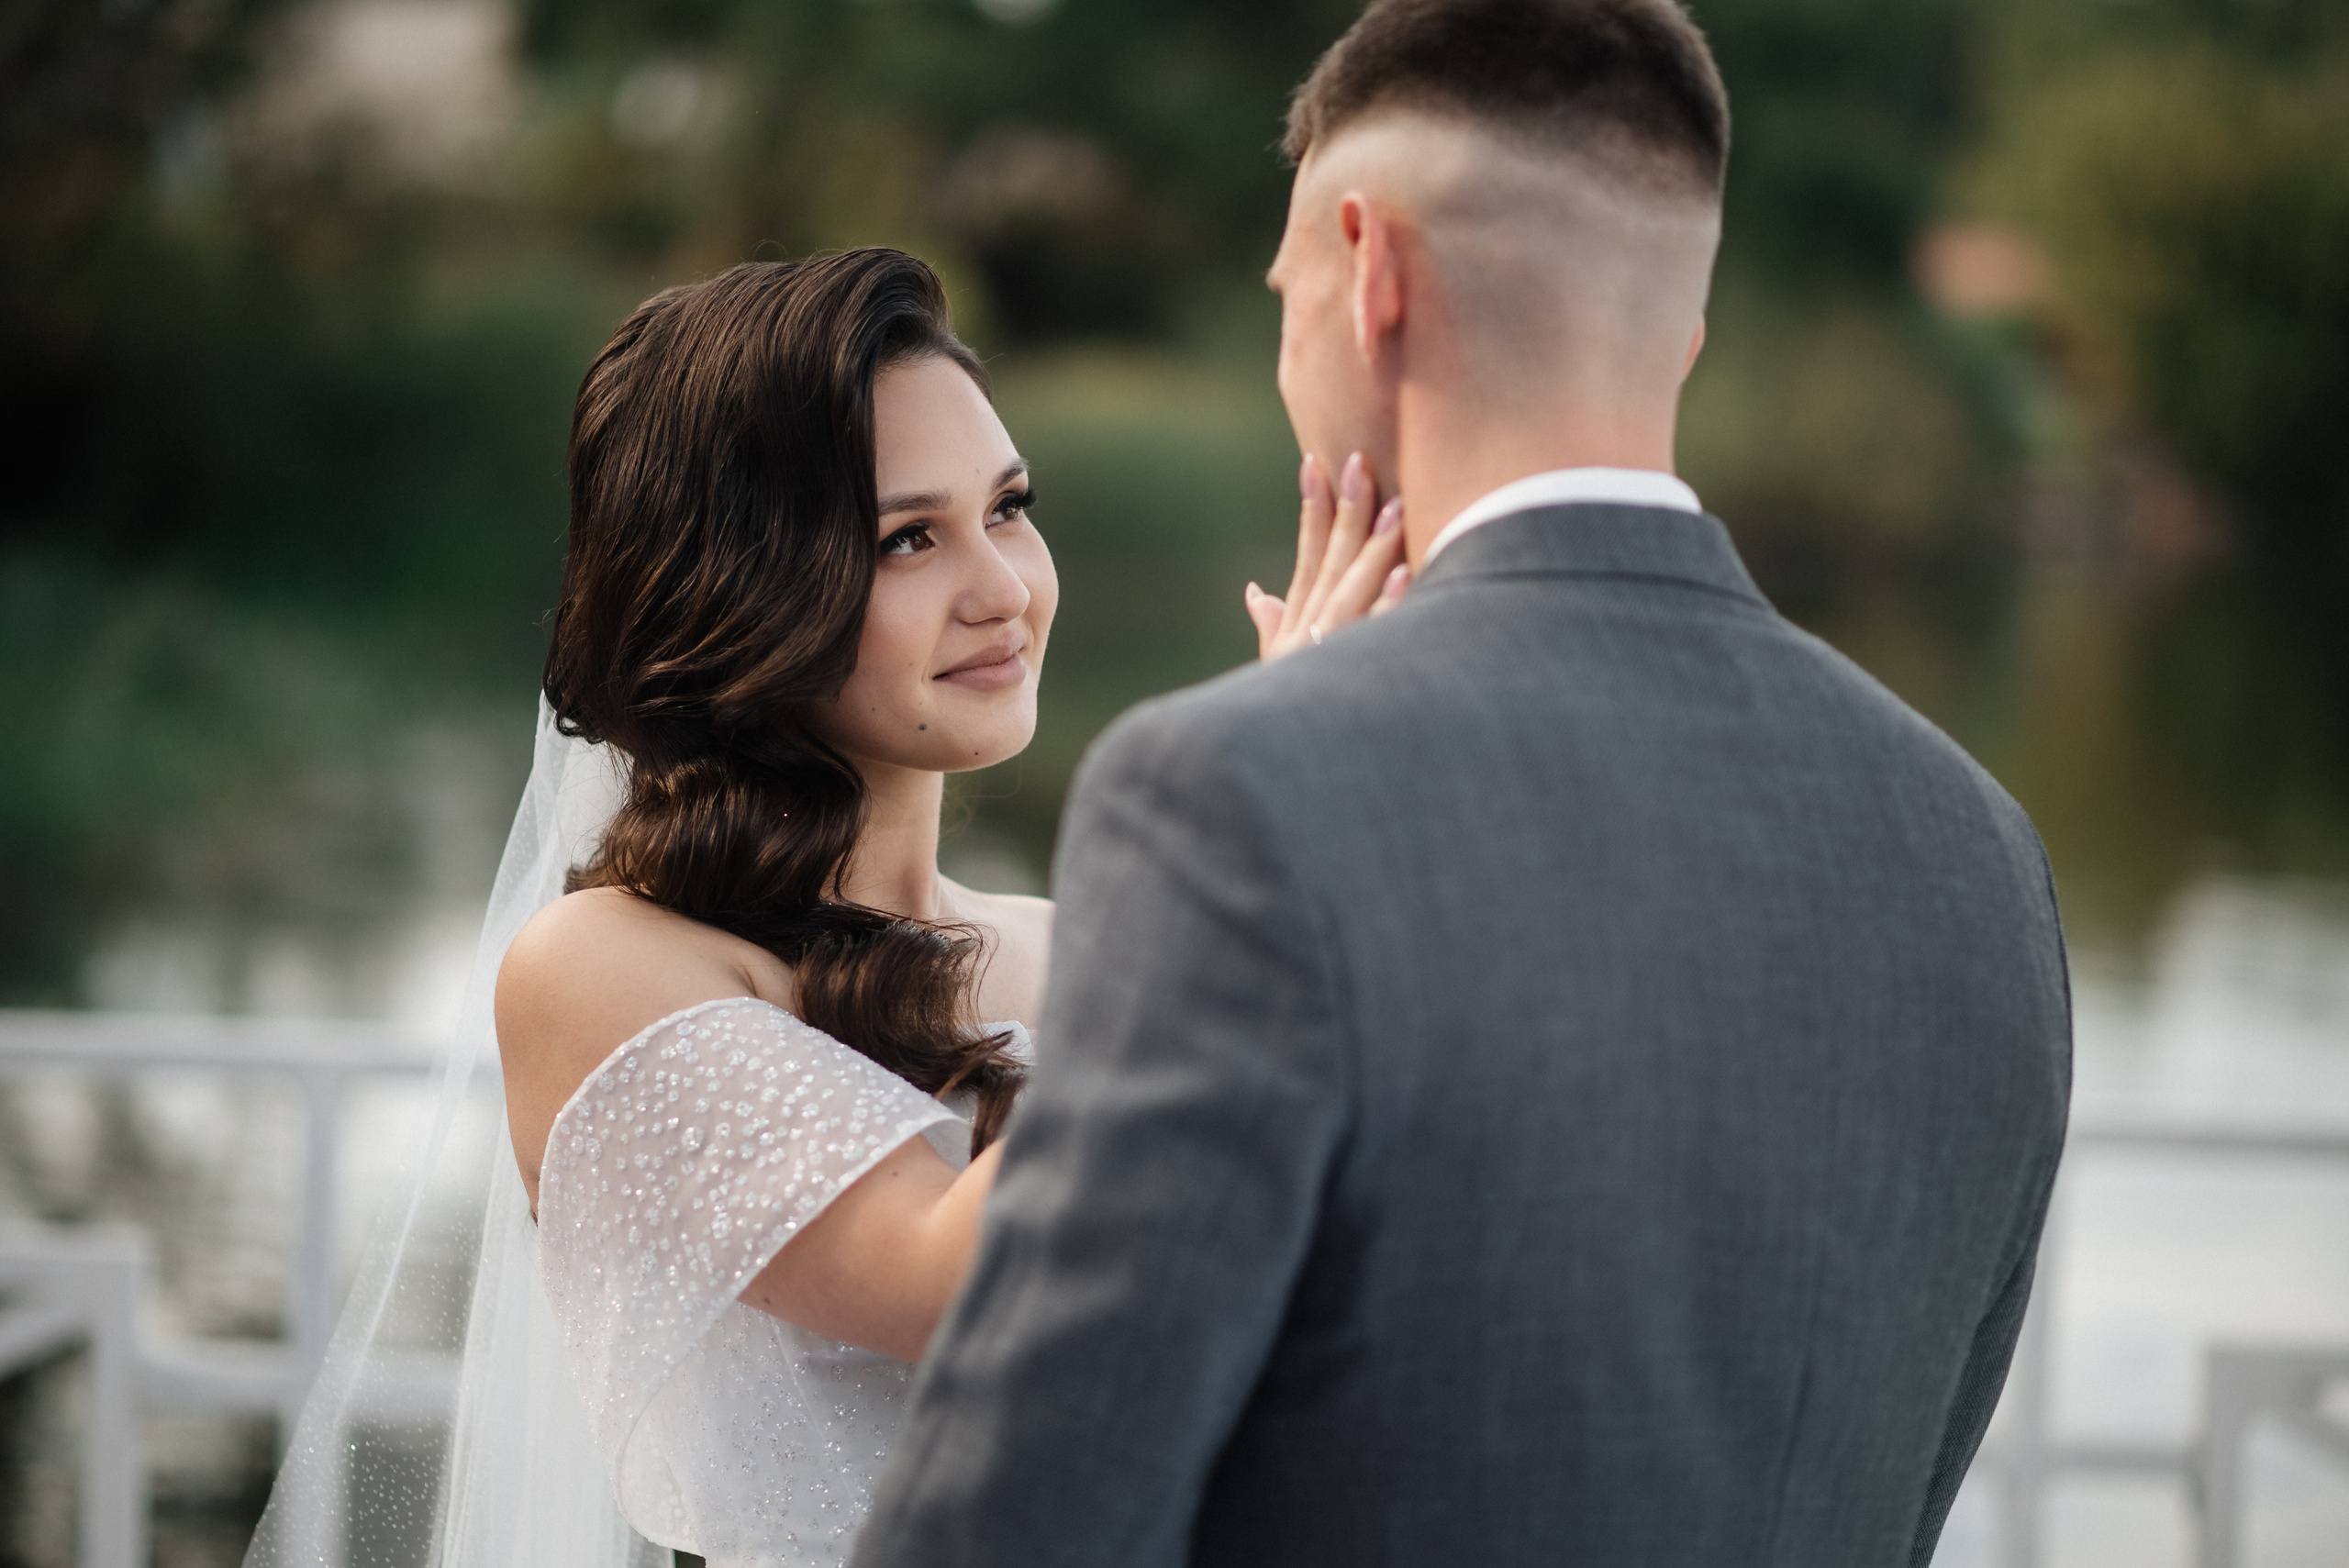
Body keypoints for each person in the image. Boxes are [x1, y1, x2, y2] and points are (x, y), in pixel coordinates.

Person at [850, 2, 2072, 1566]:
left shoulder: (1235, 791)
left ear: (1370, 275)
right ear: (1683, 330)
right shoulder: (1984, 850)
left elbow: (1015, 1521)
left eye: (1283, 292)